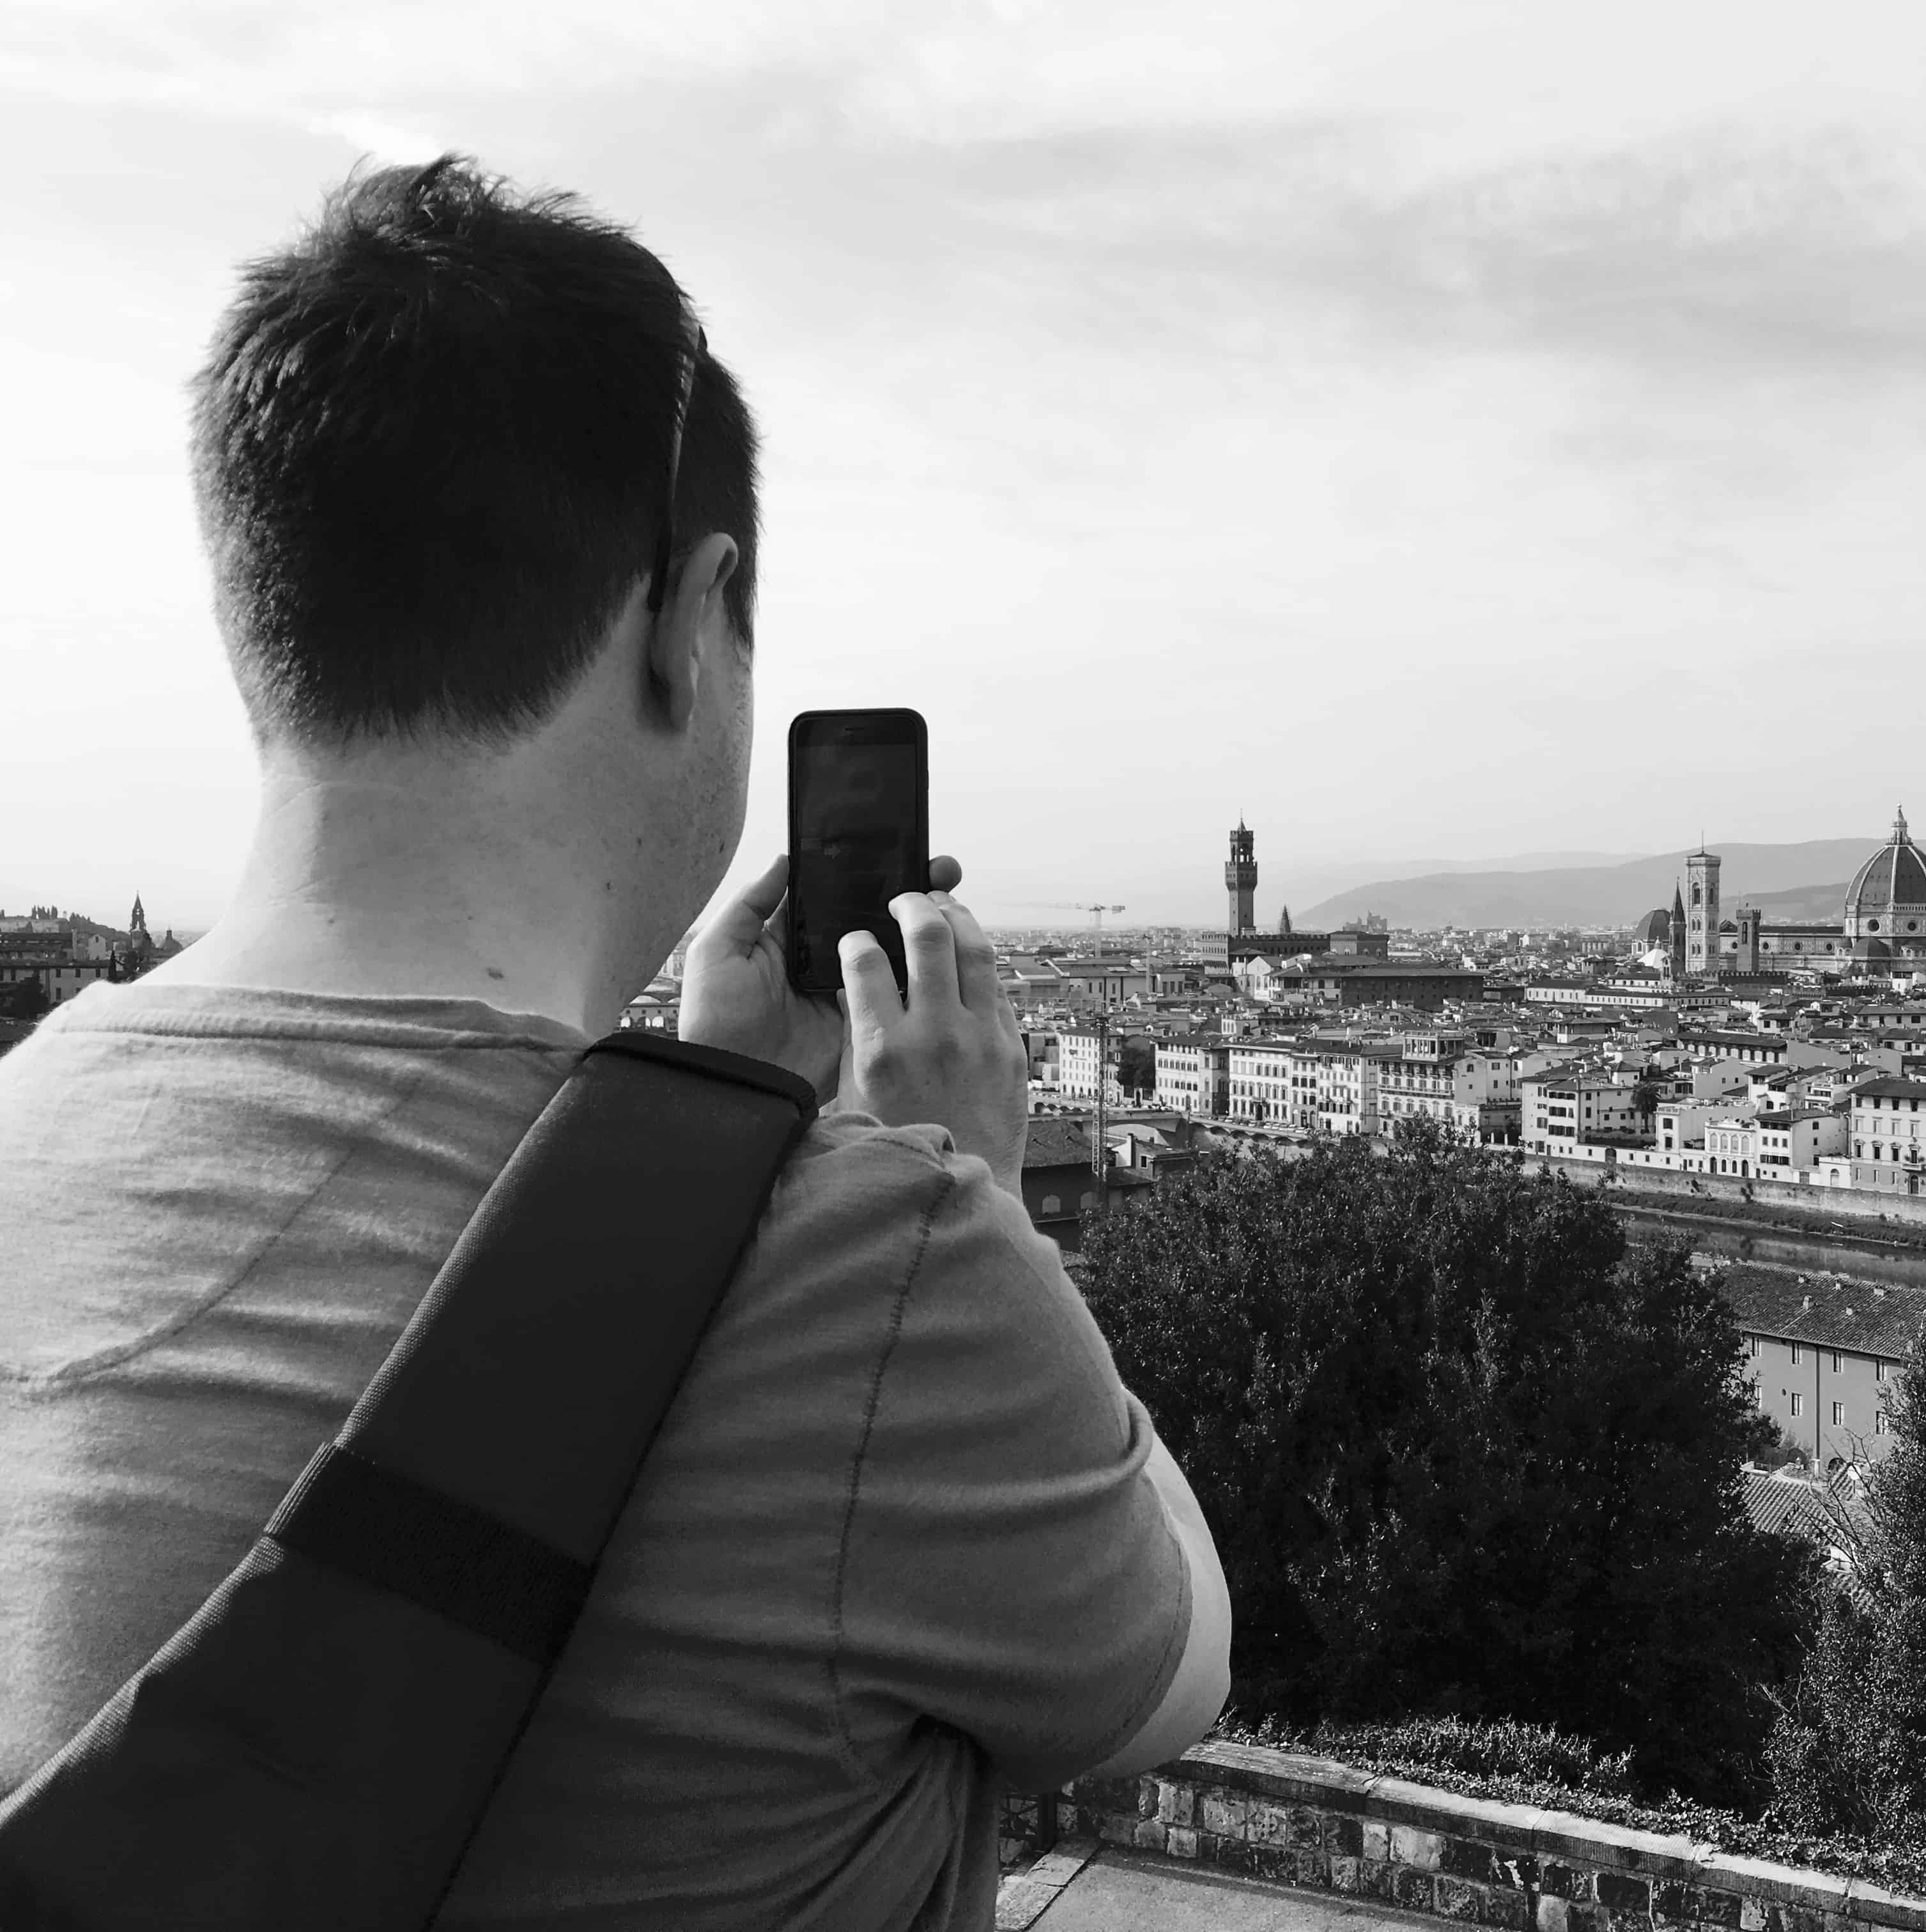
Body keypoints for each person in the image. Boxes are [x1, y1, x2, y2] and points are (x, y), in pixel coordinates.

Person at [0, 157, 1228, 1929]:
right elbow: (1169, 1682)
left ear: (260, 610)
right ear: (685, 614)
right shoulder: (877, 1262)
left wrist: (706, 1111)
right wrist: (968, 1183)